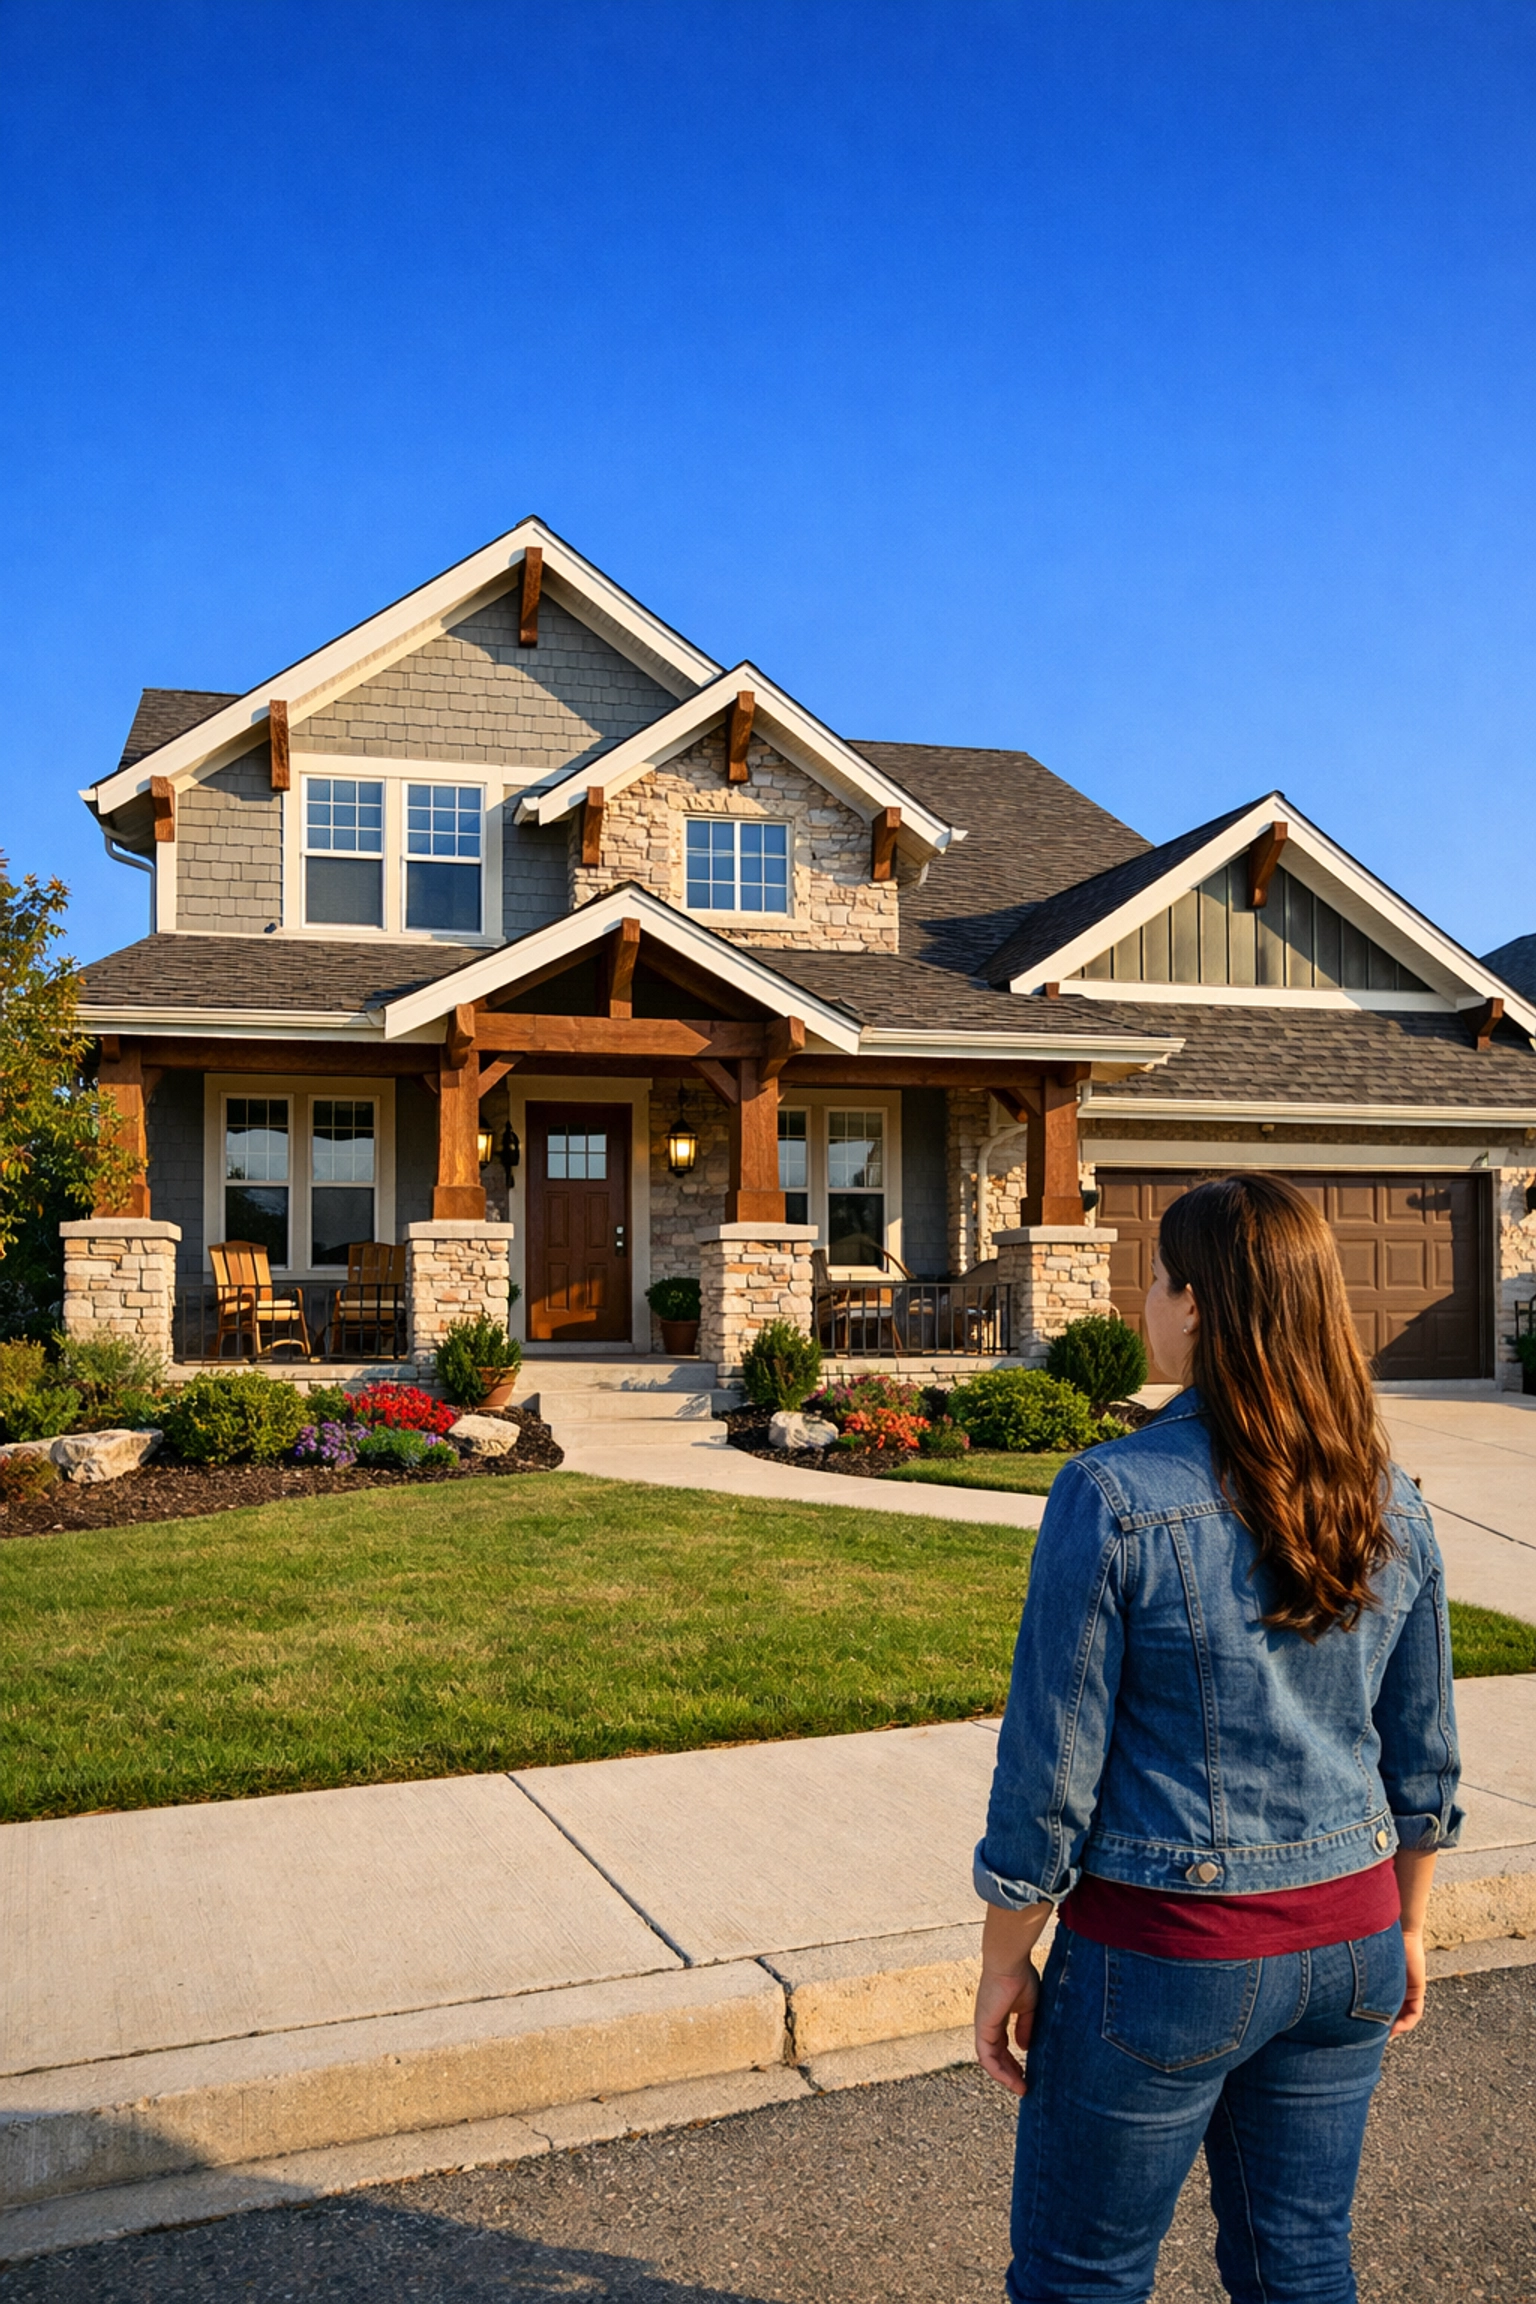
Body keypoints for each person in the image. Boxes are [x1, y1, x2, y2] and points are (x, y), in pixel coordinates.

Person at [973, 1174, 1461, 2304]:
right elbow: (1424, 1754)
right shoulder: (1390, 1494)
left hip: (1168, 1950)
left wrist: (1005, 1960)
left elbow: (1051, 1771)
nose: (1144, 1302)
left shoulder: (1114, 1491)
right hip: (1352, 1942)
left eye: (1155, 1280)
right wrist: (1408, 1923)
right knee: (1301, 2262)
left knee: (1082, 2276)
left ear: (1195, 1304)